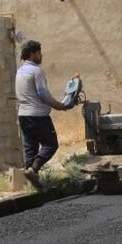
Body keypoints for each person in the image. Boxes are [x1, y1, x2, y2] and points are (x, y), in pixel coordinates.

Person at [15, 40, 73, 182]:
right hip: (38, 116)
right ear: (32, 54)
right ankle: (34, 168)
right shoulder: (36, 70)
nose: (41, 55)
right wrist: (58, 105)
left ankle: (31, 178)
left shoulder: (20, 71)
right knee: (51, 144)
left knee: (30, 148)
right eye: (39, 53)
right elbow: (43, 94)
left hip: (23, 115)